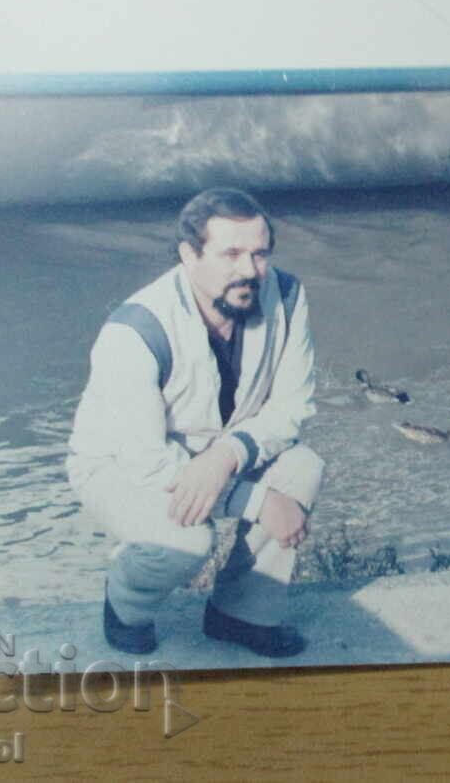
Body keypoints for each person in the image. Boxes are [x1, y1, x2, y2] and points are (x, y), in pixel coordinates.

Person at [66, 188, 324, 658]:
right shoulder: (133, 331)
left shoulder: (286, 295)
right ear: (189, 254)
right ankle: (125, 603)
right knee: (184, 539)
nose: (250, 270)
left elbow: (292, 406)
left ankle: (241, 615)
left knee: (302, 468)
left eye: (260, 253)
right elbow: (146, 463)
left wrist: (226, 456)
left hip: (220, 451)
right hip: (121, 466)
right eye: (231, 254)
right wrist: (259, 499)